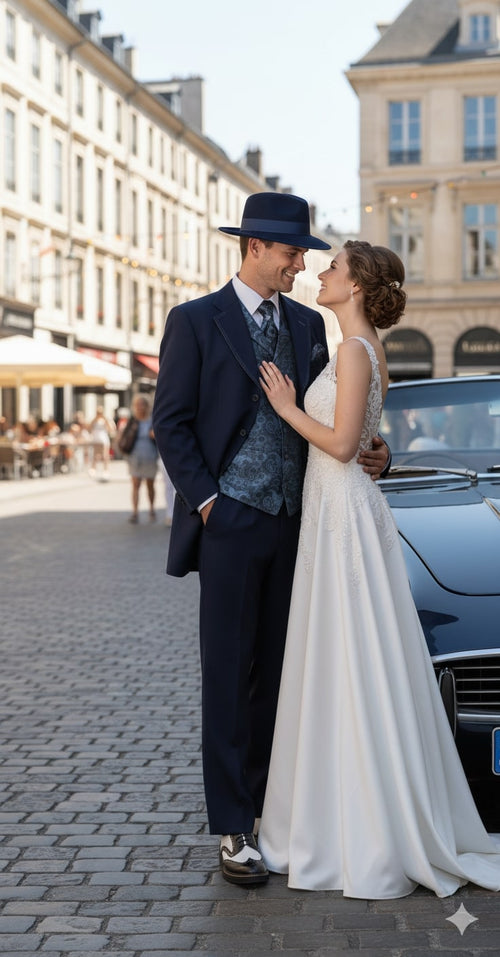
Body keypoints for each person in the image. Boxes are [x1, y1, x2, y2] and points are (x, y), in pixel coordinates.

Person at [153, 193, 390, 886]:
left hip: (300, 523)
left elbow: (338, 417)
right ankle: (234, 827)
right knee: (228, 675)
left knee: (281, 676)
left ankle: (267, 812)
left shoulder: (310, 325)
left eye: (306, 256)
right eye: (291, 253)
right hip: (230, 522)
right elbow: (171, 423)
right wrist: (209, 504)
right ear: (254, 246)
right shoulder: (195, 320)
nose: (301, 266)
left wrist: (375, 450)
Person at [257, 240, 500, 899]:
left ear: (358, 286)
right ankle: (352, 812)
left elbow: (341, 445)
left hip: (343, 514)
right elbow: (364, 440)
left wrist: (286, 408)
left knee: (347, 657)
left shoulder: (353, 351)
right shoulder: (363, 349)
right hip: (341, 511)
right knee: (350, 658)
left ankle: (353, 825)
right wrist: (378, 450)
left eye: (334, 267)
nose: (322, 273)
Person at [124, 393, 158, 524]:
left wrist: (154, 435)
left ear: (147, 406)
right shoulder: (132, 420)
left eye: (142, 404)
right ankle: (135, 512)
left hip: (150, 455)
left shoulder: (153, 420)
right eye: (137, 405)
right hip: (135, 455)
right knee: (135, 484)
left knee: (150, 484)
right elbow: (125, 436)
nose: (139, 407)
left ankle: (152, 508)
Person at [89, 405, 115, 480]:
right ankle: (93, 468)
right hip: (96, 439)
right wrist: (94, 419)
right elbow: (89, 428)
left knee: (105, 455)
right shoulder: (94, 420)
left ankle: (106, 470)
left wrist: (106, 421)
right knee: (95, 454)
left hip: (104, 439)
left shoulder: (106, 419)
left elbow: (111, 429)